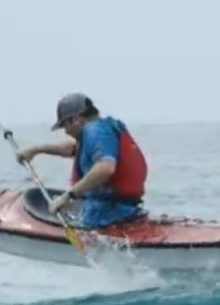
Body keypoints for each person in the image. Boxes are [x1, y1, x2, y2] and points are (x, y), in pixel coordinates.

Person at [16, 92, 149, 228]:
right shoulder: (101, 130)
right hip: (124, 207)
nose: (65, 131)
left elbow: (105, 168)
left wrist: (68, 196)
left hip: (108, 213)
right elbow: (74, 149)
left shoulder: (95, 131)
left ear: (75, 119)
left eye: (64, 125)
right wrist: (36, 149)